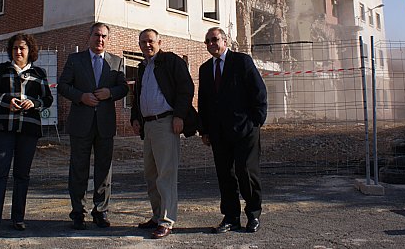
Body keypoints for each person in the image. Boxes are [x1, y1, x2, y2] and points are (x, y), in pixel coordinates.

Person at [0, 33, 53, 238]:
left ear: (30, 51)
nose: (18, 52)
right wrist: (7, 102)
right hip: (3, 128)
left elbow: (47, 98)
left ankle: (18, 218)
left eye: (22, 48)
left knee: (22, 175)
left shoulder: (39, 73)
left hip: (29, 130)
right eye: (15, 48)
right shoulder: (0, 70)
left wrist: (34, 103)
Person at [58, 22, 128, 230]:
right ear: (89, 37)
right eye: (97, 35)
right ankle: (78, 213)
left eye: (104, 36)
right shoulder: (75, 59)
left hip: (105, 125)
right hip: (81, 124)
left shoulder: (117, 62)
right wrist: (81, 97)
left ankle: (100, 211)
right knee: (78, 169)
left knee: (104, 170)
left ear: (108, 39)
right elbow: (63, 86)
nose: (100, 39)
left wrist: (111, 93)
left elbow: (123, 87)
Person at [198, 27, 267, 234]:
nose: (211, 44)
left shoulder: (241, 61)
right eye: (207, 41)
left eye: (215, 39)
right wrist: (205, 130)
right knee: (225, 176)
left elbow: (259, 91)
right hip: (219, 133)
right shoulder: (205, 69)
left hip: (245, 130)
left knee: (246, 173)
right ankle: (231, 217)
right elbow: (204, 101)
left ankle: (253, 214)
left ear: (225, 41)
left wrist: (256, 121)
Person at [130, 28, 195, 239]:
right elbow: (138, 94)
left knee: (166, 174)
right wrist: (135, 118)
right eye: (143, 42)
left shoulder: (171, 61)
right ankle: (157, 215)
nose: (147, 45)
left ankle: (167, 221)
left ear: (159, 41)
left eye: (150, 41)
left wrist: (179, 116)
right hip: (148, 126)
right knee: (151, 175)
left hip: (166, 123)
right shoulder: (142, 67)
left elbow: (186, 88)